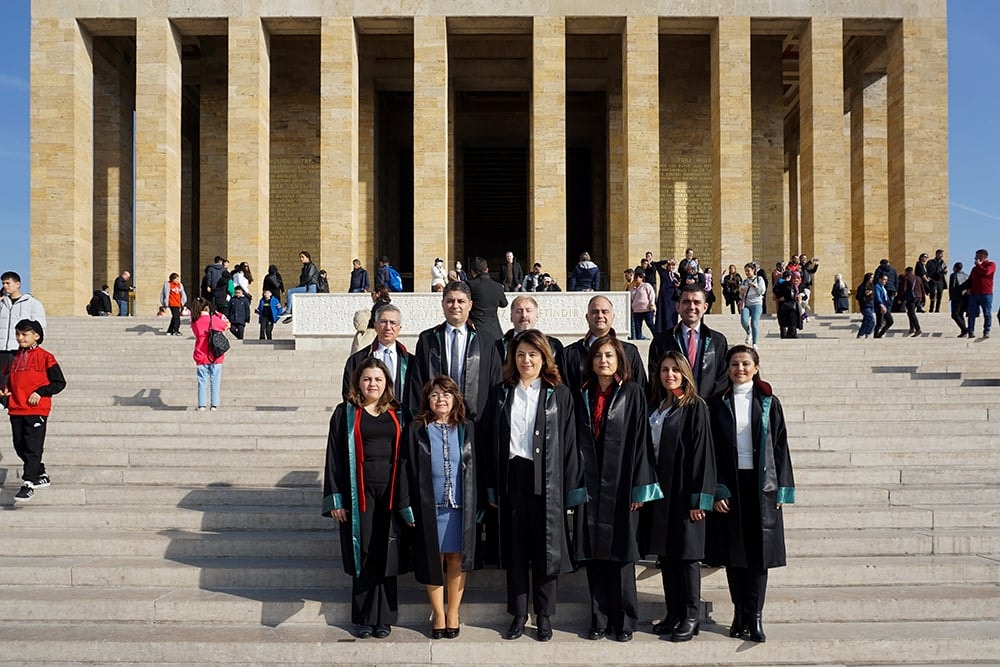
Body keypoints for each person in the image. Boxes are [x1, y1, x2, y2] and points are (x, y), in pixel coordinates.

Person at [484, 330, 585, 642]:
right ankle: (517, 613)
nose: (526, 361)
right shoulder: (502, 392)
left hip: (547, 478)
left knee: (545, 547)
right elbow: (490, 441)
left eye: (532, 355)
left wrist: (570, 489)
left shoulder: (559, 394)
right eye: (520, 355)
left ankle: (543, 615)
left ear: (544, 358)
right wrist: (491, 485)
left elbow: (569, 444)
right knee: (516, 547)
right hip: (512, 475)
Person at [575, 335, 662, 642]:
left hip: (623, 486)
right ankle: (598, 619)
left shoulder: (633, 393)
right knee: (595, 556)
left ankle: (624, 621)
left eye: (610, 356)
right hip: (591, 486)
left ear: (619, 360)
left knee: (623, 557)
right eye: (599, 356)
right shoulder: (582, 393)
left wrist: (640, 487)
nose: (604, 361)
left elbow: (641, 443)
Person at [707, 345, 795, 643]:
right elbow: (711, 451)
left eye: (745, 363)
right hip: (730, 485)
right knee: (735, 554)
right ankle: (738, 613)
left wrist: (782, 487)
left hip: (761, 486)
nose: (739, 369)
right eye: (734, 364)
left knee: (758, 554)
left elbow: (780, 446)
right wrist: (716, 488)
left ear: (756, 367)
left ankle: (755, 616)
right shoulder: (717, 403)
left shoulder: (769, 402)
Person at [322, 358, 407, 639]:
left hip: (391, 492)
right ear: (358, 382)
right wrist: (336, 499)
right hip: (358, 493)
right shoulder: (345, 413)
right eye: (368, 379)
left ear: (387, 384)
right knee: (365, 551)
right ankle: (363, 617)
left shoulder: (398, 412)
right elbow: (334, 456)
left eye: (379, 380)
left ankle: (384, 618)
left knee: (387, 552)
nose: (373, 384)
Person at [399, 376, 478, 639]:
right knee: (434, 560)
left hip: (459, 507)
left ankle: (453, 612)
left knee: (456, 559)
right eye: (434, 395)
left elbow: (479, 468)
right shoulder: (416, 429)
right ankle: (439, 614)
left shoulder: (467, 428)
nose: (440, 399)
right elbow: (405, 469)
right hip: (428, 507)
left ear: (455, 398)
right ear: (427, 400)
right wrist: (406, 504)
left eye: (446, 394)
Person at [646, 351, 715, 642]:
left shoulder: (694, 406)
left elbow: (703, 453)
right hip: (662, 492)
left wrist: (700, 498)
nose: (669, 375)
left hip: (685, 491)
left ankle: (691, 615)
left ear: (684, 373)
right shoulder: (657, 407)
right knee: (668, 555)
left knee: (687, 557)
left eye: (675, 370)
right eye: (664, 370)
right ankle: (673, 612)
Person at [409, 281, 502, 426]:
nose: (455, 306)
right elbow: (417, 383)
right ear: (443, 304)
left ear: (470, 305)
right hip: (435, 422)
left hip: (476, 425)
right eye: (450, 301)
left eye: (461, 301)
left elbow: (495, 384)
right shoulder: (428, 340)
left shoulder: (486, 341)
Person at [0, 319, 66, 503]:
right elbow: (6, 380)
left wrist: (40, 392)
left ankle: (28, 483)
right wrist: (4, 391)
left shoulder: (46, 357)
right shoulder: (13, 357)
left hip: (37, 410)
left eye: (24, 334)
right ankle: (40, 473)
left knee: (33, 447)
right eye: (18, 334)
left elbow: (59, 383)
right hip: (16, 408)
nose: (20, 338)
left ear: (36, 336)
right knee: (19, 446)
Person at [648, 285, 729, 399]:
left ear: (705, 307)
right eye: (686, 302)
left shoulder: (718, 342)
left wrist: (703, 407)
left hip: (708, 411)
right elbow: (655, 379)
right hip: (674, 409)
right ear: (678, 306)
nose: (691, 307)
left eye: (697, 302)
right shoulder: (661, 342)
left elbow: (723, 379)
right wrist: (682, 399)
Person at [563, 295, 647, 393]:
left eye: (605, 312)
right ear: (587, 317)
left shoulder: (629, 352)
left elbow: (641, 391)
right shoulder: (570, 354)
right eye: (595, 312)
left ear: (613, 317)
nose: (600, 316)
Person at [342, 304, 413, 414]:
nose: (388, 327)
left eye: (393, 323)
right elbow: (350, 394)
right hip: (368, 423)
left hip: (402, 423)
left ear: (399, 328)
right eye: (383, 322)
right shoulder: (358, 360)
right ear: (375, 326)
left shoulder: (411, 362)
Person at [1, 271, 48, 394]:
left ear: (18, 284)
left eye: (8, 283)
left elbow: (40, 326)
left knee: (14, 379)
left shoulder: (32, 304)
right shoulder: (2, 304)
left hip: (18, 347)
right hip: (2, 347)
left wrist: (35, 343)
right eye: (3, 283)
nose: (5, 286)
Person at [496, 295, 565, 369]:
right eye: (519, 311)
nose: (524, 315)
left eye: (528, 311)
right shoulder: (498, 347)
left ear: (537, 316)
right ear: (511, 317)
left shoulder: (552, 346)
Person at [189, 297, 230, 411]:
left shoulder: (194, 321)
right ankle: (214, 405)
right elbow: (226, 325)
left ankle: (202, 405)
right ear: (207, 307)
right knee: (215, 380)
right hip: (215, 354)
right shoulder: (214, 319)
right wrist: (220, 316)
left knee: (202, 380)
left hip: (201, 353)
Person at [467, 257, 508, 343]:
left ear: (472, 271)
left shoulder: (469, 285)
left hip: (475, 332)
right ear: (487, 270)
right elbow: (504, 303)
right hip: (495, 332)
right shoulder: (497, 286)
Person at [283, 251, 319, 322]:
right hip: (307, 287)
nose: (301, 259)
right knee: (293, 296)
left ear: (307, 257)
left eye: (302, 257)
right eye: (300, 257)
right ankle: (291, 314)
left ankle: (288, 311)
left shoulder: (311, 266)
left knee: (290, 292)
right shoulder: (305, 267)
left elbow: (308, 277)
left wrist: (300, 286)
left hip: (310, 287)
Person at [966, 248, 995, 339]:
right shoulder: (974, 269)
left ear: (982, 256)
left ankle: (986, 331)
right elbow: (970, 279)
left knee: (987, 313)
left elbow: (986, 273)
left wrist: (979, 265)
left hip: (986, 294)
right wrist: (968, 288)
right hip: (974, 294)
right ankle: (971, 331)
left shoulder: (991, 264)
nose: (975, 258)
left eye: (977, 256)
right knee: (971, 313)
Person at [739, 263, 765, 348]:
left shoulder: (759, 279)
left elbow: (762, 291)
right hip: (746, 303)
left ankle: (754, 343)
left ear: (753, 270)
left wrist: (754, 286)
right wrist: (741, 292)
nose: (747, 273)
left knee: (754, 323)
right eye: (745, 271)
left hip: (756, 304)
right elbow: (741, 295)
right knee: (743, 320)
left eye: (748, 271)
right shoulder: (744, 281)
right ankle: (748, 332)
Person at [773, 271, 803, 339]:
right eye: (794, 278)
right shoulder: (785, 284)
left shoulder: (798, 286)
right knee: (783, 322)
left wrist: (801, 297)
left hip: (793, 307)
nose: (796, 279)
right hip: (784, 306)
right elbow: (775, 289)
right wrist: (780, 296)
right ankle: (784, 335)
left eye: (798, 278)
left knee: (792, 322)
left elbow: (804, 294)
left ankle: (792, 334)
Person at [629, 269, 656, 340]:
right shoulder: (632, 289)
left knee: (650, 324)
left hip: (647, 309)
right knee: (637, 326)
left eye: (637, 278)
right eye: (635, 278)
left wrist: (652, 304)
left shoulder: (646, 286)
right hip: (637, 311)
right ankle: (639, 339)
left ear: (641, 278)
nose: (636, 279)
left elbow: (652, 295)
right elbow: (631, 299)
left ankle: (657, 336)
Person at [899, 266, 924, 336]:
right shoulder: (918, 278)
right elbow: (922, 289)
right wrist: (923, 299)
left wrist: (901, 298)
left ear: (906, 271)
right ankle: (912, 328)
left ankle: (917, 328)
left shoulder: (905, 277)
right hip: (918, 297)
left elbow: (903, 289)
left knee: (912, 313)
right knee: (910, 312)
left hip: (911, 298)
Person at [950, 262, 970, 337]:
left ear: (955, 268)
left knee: (955, 314)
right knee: (960, 314)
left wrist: (952, 296)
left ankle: (964, 329)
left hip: (957, 297)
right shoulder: (966, 275)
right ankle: (963, 331)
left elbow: (953, 286)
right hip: (965, 297)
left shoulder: (954, 275)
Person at [873, 273, 894, 338]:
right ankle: (876, 335)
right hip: (880, 307)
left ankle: (879, 334)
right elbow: (877, 296)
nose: (885, 281)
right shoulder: (877, 286)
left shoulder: (883, 287)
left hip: (885, 306)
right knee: (879, 323)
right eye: (884, 279)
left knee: (890, 321)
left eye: (886, 280)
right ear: (880, 279)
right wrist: (881, 305)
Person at [926, 249, 947, 313]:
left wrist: (944, 271)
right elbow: (927, 270)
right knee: (933, 294)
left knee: (939, 295)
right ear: (937, 254)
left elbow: (945, 271)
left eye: (942, 254)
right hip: (933, 280)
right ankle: (931, 308)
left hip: (940, 280)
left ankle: (937, 309)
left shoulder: (943, 263)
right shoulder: (930, 262)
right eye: (940, 254)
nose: (941, 255)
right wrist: (928, 277)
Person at [855, 273, 876, 339]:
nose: (872, 279)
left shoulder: (872, 286)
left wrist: (871, 293)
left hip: (871, 305)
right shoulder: (862, 286)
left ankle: (860, 334)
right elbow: (858, 297)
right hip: (865, 306)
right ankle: (868, 333)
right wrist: (865, 294)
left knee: (866, 321)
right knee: (872, 320)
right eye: (871, 278)